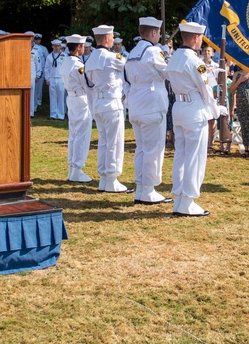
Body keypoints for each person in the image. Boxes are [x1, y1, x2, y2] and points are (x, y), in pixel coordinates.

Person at [166, 21, 227, 216]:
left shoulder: (175, 57)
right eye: (200, 38)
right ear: (195, 38)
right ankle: (188, 201)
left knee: (181, 155)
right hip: (194, 109)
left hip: (179, 107)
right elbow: (206, 90)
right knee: (195, 157)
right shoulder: (196, 62)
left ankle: (179, 199)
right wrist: (216, 110)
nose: (201, 42)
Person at [124, 17, 172, 205]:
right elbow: (167, 72)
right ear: (153, 33)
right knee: (153, 148)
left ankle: (142, 188)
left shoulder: (133, 52)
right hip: (152, 103)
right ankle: (149, 189)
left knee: (142, 148)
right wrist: (167, 56)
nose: (159, 36)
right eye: (158, 33)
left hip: (136, 102)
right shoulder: (152, 51)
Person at [86, 24, 131, 193]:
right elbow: (129, 67)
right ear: (106, 38)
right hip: (111, 103)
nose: (113, 39)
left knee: (104, 141)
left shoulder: (90, 59)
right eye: (112, 37)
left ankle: (104, 177)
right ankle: (111, 177)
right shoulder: (112, 58)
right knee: (114, 141)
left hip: (98, 103)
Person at [62, 34, 93, 182]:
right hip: (80, 98)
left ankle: (72, 167)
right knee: (82, 134)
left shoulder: (65, 61)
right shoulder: (78, 65)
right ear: (79, 47)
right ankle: (77, 168)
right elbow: (87, 83)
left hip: (71, 98)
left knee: (73, 134)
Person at [229, 65, 249, 157]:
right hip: (241, 103)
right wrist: (239, 81)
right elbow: (232, 90)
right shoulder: (237, 74)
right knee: (244, 125)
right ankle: (246, 149)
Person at [46, 39, 66, 120]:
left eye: (58, 46)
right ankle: (53, 114)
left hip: (61, 78)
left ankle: (61, 114)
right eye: (55, 46)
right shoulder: (49, 56)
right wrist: (47, 79)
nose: (57, 47)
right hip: (52, 78)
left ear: (60, 46)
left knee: (61, 97)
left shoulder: (64, 56)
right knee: (53, 97)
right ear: (52, 47)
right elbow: (46, 68)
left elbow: (66, 68)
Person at [32, 33, 49, 110]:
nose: (37, 41)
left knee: (39, 87)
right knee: (34, 88)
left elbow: (47, 58)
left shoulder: (43, 48)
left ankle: (39, 100)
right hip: (34, 70)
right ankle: (35, 103)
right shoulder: (32, 48)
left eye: (38, 39)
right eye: (36, 39)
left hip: (41, 69)